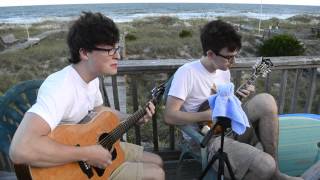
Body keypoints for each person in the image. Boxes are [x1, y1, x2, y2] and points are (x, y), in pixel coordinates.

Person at [9, 12, 165, 180]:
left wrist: (132, 117)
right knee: (156, 174)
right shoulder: (60, 87)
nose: (118, 56)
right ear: (84, 53)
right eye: (109, 50)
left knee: (157, 160)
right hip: (73, 169)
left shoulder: (91, 79)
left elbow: (97, 110)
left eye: (116, 48)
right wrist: (87, 153)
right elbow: (21, 149)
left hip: (95, 148)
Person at [164, 20, 301, 180]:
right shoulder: (187, 73)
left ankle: (276, 173)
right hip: (207, 139)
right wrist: (207, 115)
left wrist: (238, 98)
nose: (233, 62)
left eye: (235, 56)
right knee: (265, 166)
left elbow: (225, 105)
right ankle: (267, 168)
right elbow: (169, 116)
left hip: (227, 127)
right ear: (210, 54)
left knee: (266, 101)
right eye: (229, 57)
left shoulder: (223, 70)